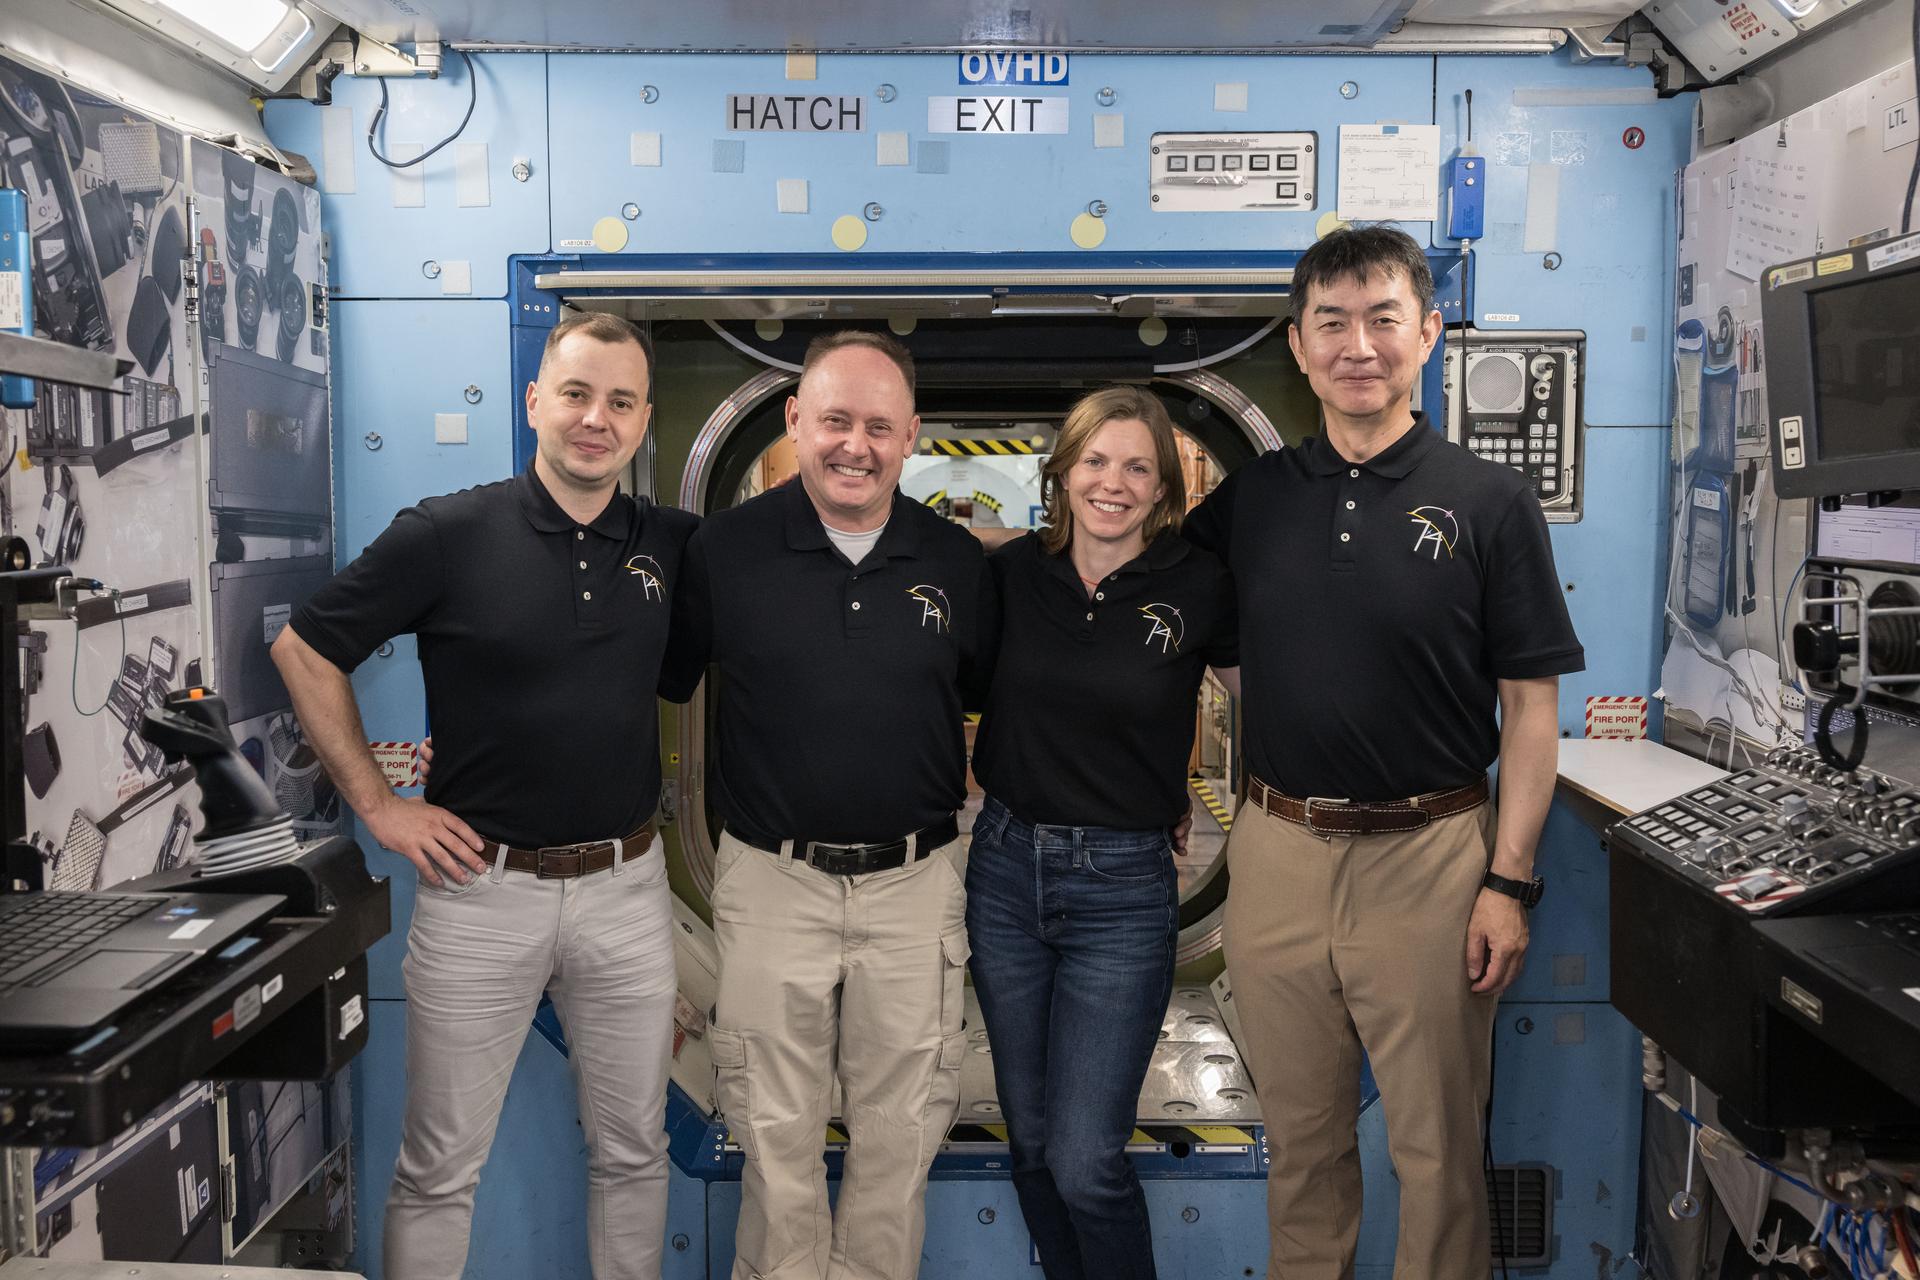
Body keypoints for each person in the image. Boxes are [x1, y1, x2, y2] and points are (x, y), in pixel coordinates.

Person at [1180, 225, 1583, 1278]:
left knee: (1439, 1149)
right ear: (1299, 346)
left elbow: (1531, 712)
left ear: (1431, 331)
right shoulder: (1254, 499)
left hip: (1434, 854)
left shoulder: (1490, 502)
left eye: (1384, 319)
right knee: (1301, 1145)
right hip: (1277, 849)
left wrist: (1510, 880)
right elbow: (1173, 617)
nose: (1359, 345)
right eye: (1333, 324)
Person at [270, 312, 696, 1280]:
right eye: (578, 394)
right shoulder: (448, 532)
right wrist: (381, 805)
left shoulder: (675, 547)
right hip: (479, 893)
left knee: (635, 1152)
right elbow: (304, 648)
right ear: (536, 400)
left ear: (642, 421)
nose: (597, 418)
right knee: (436, 1169)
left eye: (621, 401)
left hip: (628, 890)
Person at [663, 329, 997, 1280]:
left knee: (902, 1133)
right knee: (774, 1130)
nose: (857, 445)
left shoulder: (954, 562)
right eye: (837, 421)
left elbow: (1006, 697)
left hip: (917, 883)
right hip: (772, 879)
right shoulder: (722, 554)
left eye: (880, 427)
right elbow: (632, 678)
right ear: (794, 421)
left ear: (913, 437)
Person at [965, 385, 1237, 1280]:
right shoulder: (1011, 578)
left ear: (1163, 489)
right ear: (1062, 472)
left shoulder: (1198, 585)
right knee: (1032, 1144)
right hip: (1005, 872)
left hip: (1122, 889)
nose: (1112, 484)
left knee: (1086, 1160)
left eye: (1136, 468)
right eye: (1094, 461)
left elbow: (1268, 705)